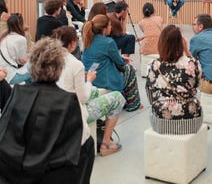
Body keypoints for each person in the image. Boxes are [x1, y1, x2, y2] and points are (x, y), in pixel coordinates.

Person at [0, 37, 94, 184]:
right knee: (88, 144)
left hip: (17, 172)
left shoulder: (17, 93)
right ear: (60, 67)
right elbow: (74, 146)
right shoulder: (68, 101)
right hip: (54, 174)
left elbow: (5, 133)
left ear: (32, 65)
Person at [54, 26, 125, 157]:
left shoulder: (51, 60)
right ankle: (106, 143)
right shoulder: (75, 64)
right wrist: (90, 80)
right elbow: (83, 98)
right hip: (74, 112)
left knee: (96, 91)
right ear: (73, 43)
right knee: (118, 97)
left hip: (56, 109)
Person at [146, 25, 203, 134]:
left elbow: (150, 93)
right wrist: (186, 51)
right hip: (191, 119)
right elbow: (198, 84)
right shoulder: (192, 63)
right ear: (181, 43)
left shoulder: (154, 65)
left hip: (161, 121)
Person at [82, 14, 142, 112]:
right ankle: (133, 104)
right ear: (104, 28)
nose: (111, 27)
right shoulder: (108, 42)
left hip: (90, 77)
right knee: (129, 69)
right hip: (102, 80)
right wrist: (123, 60)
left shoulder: (88, 39)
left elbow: (98, 59)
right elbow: (120, 62)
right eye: (110, 25)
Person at [0, 13, 32, 84]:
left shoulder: (4, 36)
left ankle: (29, 91)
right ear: (20, 24)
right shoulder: (21, 39)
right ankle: (35, 91)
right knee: (35, 66)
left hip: (2, 73)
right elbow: (22, 61)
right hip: (11, 76)